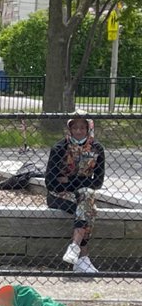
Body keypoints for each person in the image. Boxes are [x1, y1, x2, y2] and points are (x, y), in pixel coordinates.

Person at [46, 113, 105, 274]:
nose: (78, 131)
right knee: (89, 208)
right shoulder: (59, 148)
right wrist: (82, 180)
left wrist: (69, 180)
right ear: (70, 129)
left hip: (82, 195)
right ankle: (83, 257)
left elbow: (98, 182)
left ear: (88, 129)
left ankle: (74, 247)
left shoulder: (97, 149)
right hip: (58, 196)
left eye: (82, 128)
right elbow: (51, 182)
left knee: (87, 195)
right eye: (75, 128)